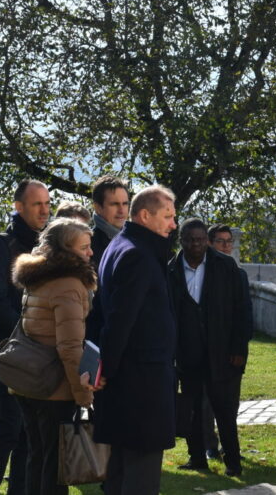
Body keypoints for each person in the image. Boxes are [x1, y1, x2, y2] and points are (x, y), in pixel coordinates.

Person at [94, 185, 179, 495]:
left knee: (120, 472)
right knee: (140, 477)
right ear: (145, 215)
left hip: (131, 381)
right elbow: (118, 321)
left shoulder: (121, 245)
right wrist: (107, 370)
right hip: (140, 384)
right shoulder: (137, 255)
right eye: (168, 216)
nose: (173, 224)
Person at [10, 218, 103, 495]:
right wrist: (83, 393)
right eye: (84, 247)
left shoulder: (38, 277)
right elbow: (70, 346)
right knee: (55, 466)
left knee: (37, 457)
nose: (90, 253)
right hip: (54, 387)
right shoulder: (68, 285)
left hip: (29, 381)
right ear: (66, 250)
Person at [0, 180, 51, 495]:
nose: (44, 210)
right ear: (18, 207)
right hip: (11, 353)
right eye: (36, 204)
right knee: (9, 429)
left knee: (28, 436)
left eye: (47, 203)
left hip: (40, 355)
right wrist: (29, 331)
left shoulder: (45, 246)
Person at [169, 219, 252, 477]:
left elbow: (243, 311)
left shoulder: (226, 267)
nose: (196, 244)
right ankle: (197, 458)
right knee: (191, 409)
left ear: (207, 240)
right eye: (190, 240)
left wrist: (239, 347)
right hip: (187, 354)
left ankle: (233, 462)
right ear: (181, 240)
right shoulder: (170, 270)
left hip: (223, 352)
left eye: (201, 239)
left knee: (225, 411)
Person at [86, 175, 130, 347]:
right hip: (97, 341)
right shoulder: (87, 246)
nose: (121, 210)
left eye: (125, 204)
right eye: (114, 204)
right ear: (98, 207)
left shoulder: (134, 243)